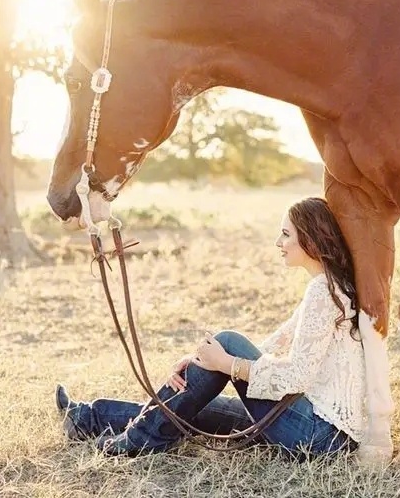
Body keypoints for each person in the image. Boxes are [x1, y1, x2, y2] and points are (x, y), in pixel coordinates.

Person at [55, 197, 366, 459]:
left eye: (286, 235)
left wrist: (228, 363)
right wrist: (201, 364)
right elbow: (276, 343)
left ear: (309, 239)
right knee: (191, 406)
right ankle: (86, 417)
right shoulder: (328, 287)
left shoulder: (322, 292)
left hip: (319, 437)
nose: (278, 243)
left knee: (228, 340)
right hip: (319, 430)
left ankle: (136, 442)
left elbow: (298, 374)